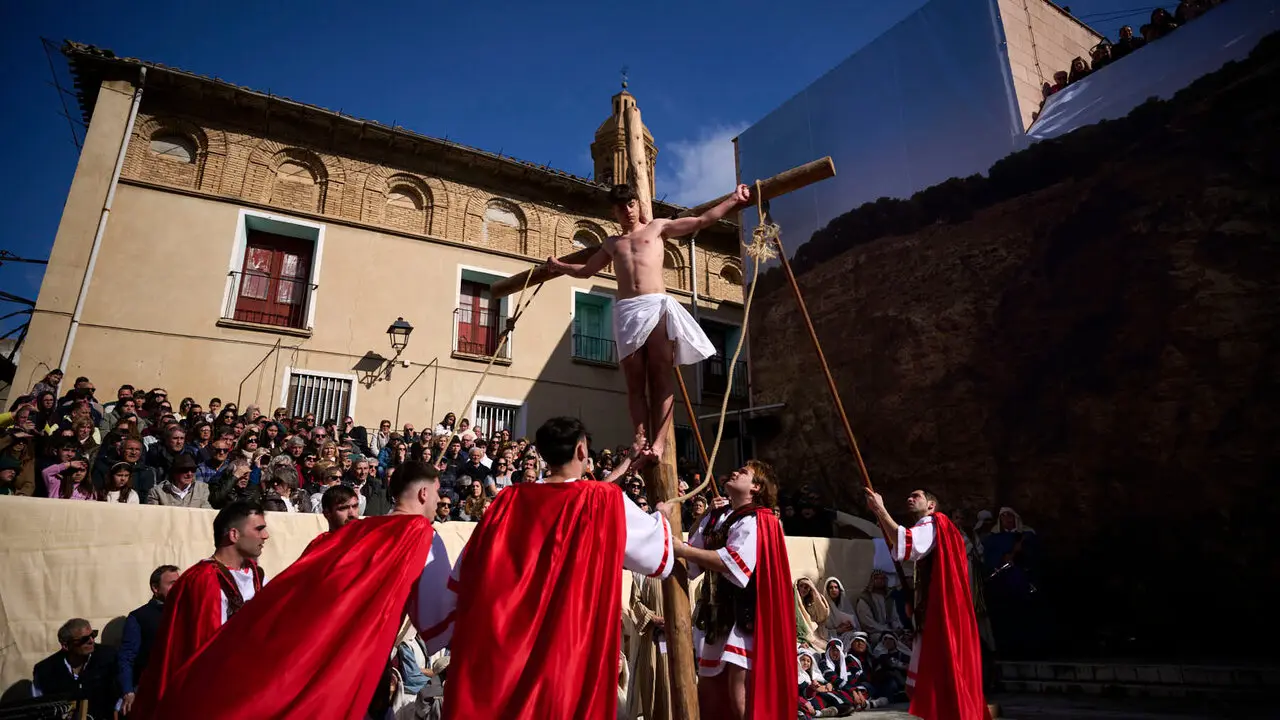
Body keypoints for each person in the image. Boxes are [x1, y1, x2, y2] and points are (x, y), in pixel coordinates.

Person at [145, 461, 455, 718]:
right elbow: (438, 618)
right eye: (439, 493)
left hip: (308, 652)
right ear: (425, 492)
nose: (440, 501)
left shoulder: (352, 533)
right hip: (352, 663)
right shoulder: (419, 536)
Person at [444, 416, 675, 718]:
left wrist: (628, 462)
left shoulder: (508, 500)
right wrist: (663, 515)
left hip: (505, 647)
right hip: (566, 649)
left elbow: (465, 571)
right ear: (582, 451)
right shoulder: (603, 501)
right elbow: (659, 557)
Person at [545, 183, 747, 459]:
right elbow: (587, 271)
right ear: (613, 212)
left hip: (655, 305)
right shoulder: (612, 243)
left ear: (638, 205)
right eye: (620, 207)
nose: (627, 211)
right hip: (627, 310)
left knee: (661, 374)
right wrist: (560, 266)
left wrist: (733, 199)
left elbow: (702, 221)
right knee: (635, 381)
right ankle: (639, 436)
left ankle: (660, 443)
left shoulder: (657, 228)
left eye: (630, 204)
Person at [676, 460, 794, 720]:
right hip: (718, 617)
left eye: (743, 472)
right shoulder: (719, 517)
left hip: (744, 618)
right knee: (707, 693)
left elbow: (733, 563)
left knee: (739, 695)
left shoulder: (757, 521)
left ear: (756, 487)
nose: (735, 471)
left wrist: (683, 549)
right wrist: (705, 517)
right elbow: (693, 564)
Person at [129, 502, 269, 718]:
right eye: (259, 529)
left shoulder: (257, 575)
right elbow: (196, 647)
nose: (266, 535)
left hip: (251, 687)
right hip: (213, 692)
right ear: (233, 534)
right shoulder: (201, 580)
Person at [865, 488, 986, 720]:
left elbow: (906, 543)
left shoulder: (932, 524)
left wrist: (880, 509)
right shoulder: (936, 529)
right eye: (908, 495)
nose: (909, 498)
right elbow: (902, 546)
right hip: (936, 609)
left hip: (940, 612)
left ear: (931, 505)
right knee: (939, 670)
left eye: (916, 496)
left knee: (941, 668)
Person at [118, 565, 180, 715]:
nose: (178, 587)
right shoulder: (139, 617)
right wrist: (128, 691)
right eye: (172, 584)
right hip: (155, 690)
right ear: (155, 588)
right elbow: (126, 657)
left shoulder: (190, 610)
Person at [32, 618, 120, 718]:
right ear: (65, 645)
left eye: (93, 635)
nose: (91, 641)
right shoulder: (45, 670)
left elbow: (123, 692)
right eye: (85, 639)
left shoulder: (109, 657)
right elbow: (38, 706)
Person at [626, 570, 670, 720]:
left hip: (674, 640)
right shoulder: (641, 573)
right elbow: (635, 602)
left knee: (671, 686)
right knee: (651, 685)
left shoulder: (678, 569)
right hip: (650, 638)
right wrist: (654, 618)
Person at [145, 454, 212, 508]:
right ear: (174, 472)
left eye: (193, 470)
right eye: (185, 470)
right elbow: (153, 516)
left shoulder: (202, 488)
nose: (189, 474)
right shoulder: (157, 492)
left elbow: (206, 513)